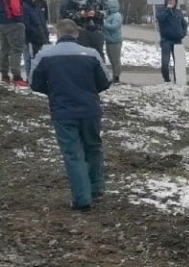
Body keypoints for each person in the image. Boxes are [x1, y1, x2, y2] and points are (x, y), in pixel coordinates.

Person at [29, 20, 111, 211]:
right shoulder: (91, 54)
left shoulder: (45, 55)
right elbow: (105, 81)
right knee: (93, 146)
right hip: (90, 109)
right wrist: (89, 91)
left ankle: (82, 199)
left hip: (63, 111)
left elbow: (34, 83)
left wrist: (53, 92)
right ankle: (97, 186)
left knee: (73, 154)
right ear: (76, 34)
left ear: (57, 34)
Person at [156, 0, 186, 83]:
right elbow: (160, 18)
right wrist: (167, 10)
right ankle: (167, 80)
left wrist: (183, 33)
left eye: (173, 0)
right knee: (165, 62)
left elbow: (184, 24)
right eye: (170, 0)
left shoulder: (178, 12)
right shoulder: (162, 11)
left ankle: (178, 80)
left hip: (177, 41)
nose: (171, 2)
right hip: (166, 40)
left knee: (178, 62)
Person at [21, 0, 48, 82]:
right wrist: (35, 32)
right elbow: (26, 23)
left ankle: (38, 77)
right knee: (30, 58)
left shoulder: (38, 5)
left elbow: (42, 20)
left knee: (38, 57)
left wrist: (45, 33)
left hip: (39, 37)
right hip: (30, 38)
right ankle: (30, 78)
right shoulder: (24, 6)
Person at [1, 0, 25, 85]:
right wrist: (19, 17)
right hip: (13, 22)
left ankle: (4, 74)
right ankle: (16, 76)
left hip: (2, 22)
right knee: (16, 49)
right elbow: (15, 6)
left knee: (4, 49)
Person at [101, 0, 120, 83]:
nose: (106, 8)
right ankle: (113, 75)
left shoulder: (117, 16)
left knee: (115, 60)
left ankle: (116, 77)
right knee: (111, 59)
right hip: (108, 40)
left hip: (115, 40)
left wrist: (104, 24)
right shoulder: (109, 15)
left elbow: (114, 27)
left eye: (108, 6)